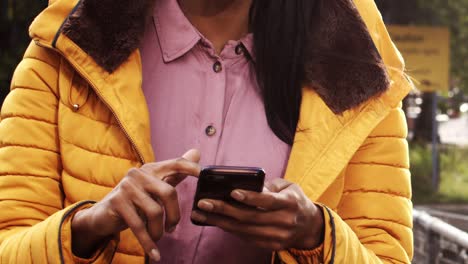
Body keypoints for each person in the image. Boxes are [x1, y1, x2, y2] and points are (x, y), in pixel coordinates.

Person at [0, 0, 413, 263]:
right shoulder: (64, 51)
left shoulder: (359, 75)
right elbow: (9, 244)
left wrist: (316, 235)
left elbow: (386, 257)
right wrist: (90, 227)